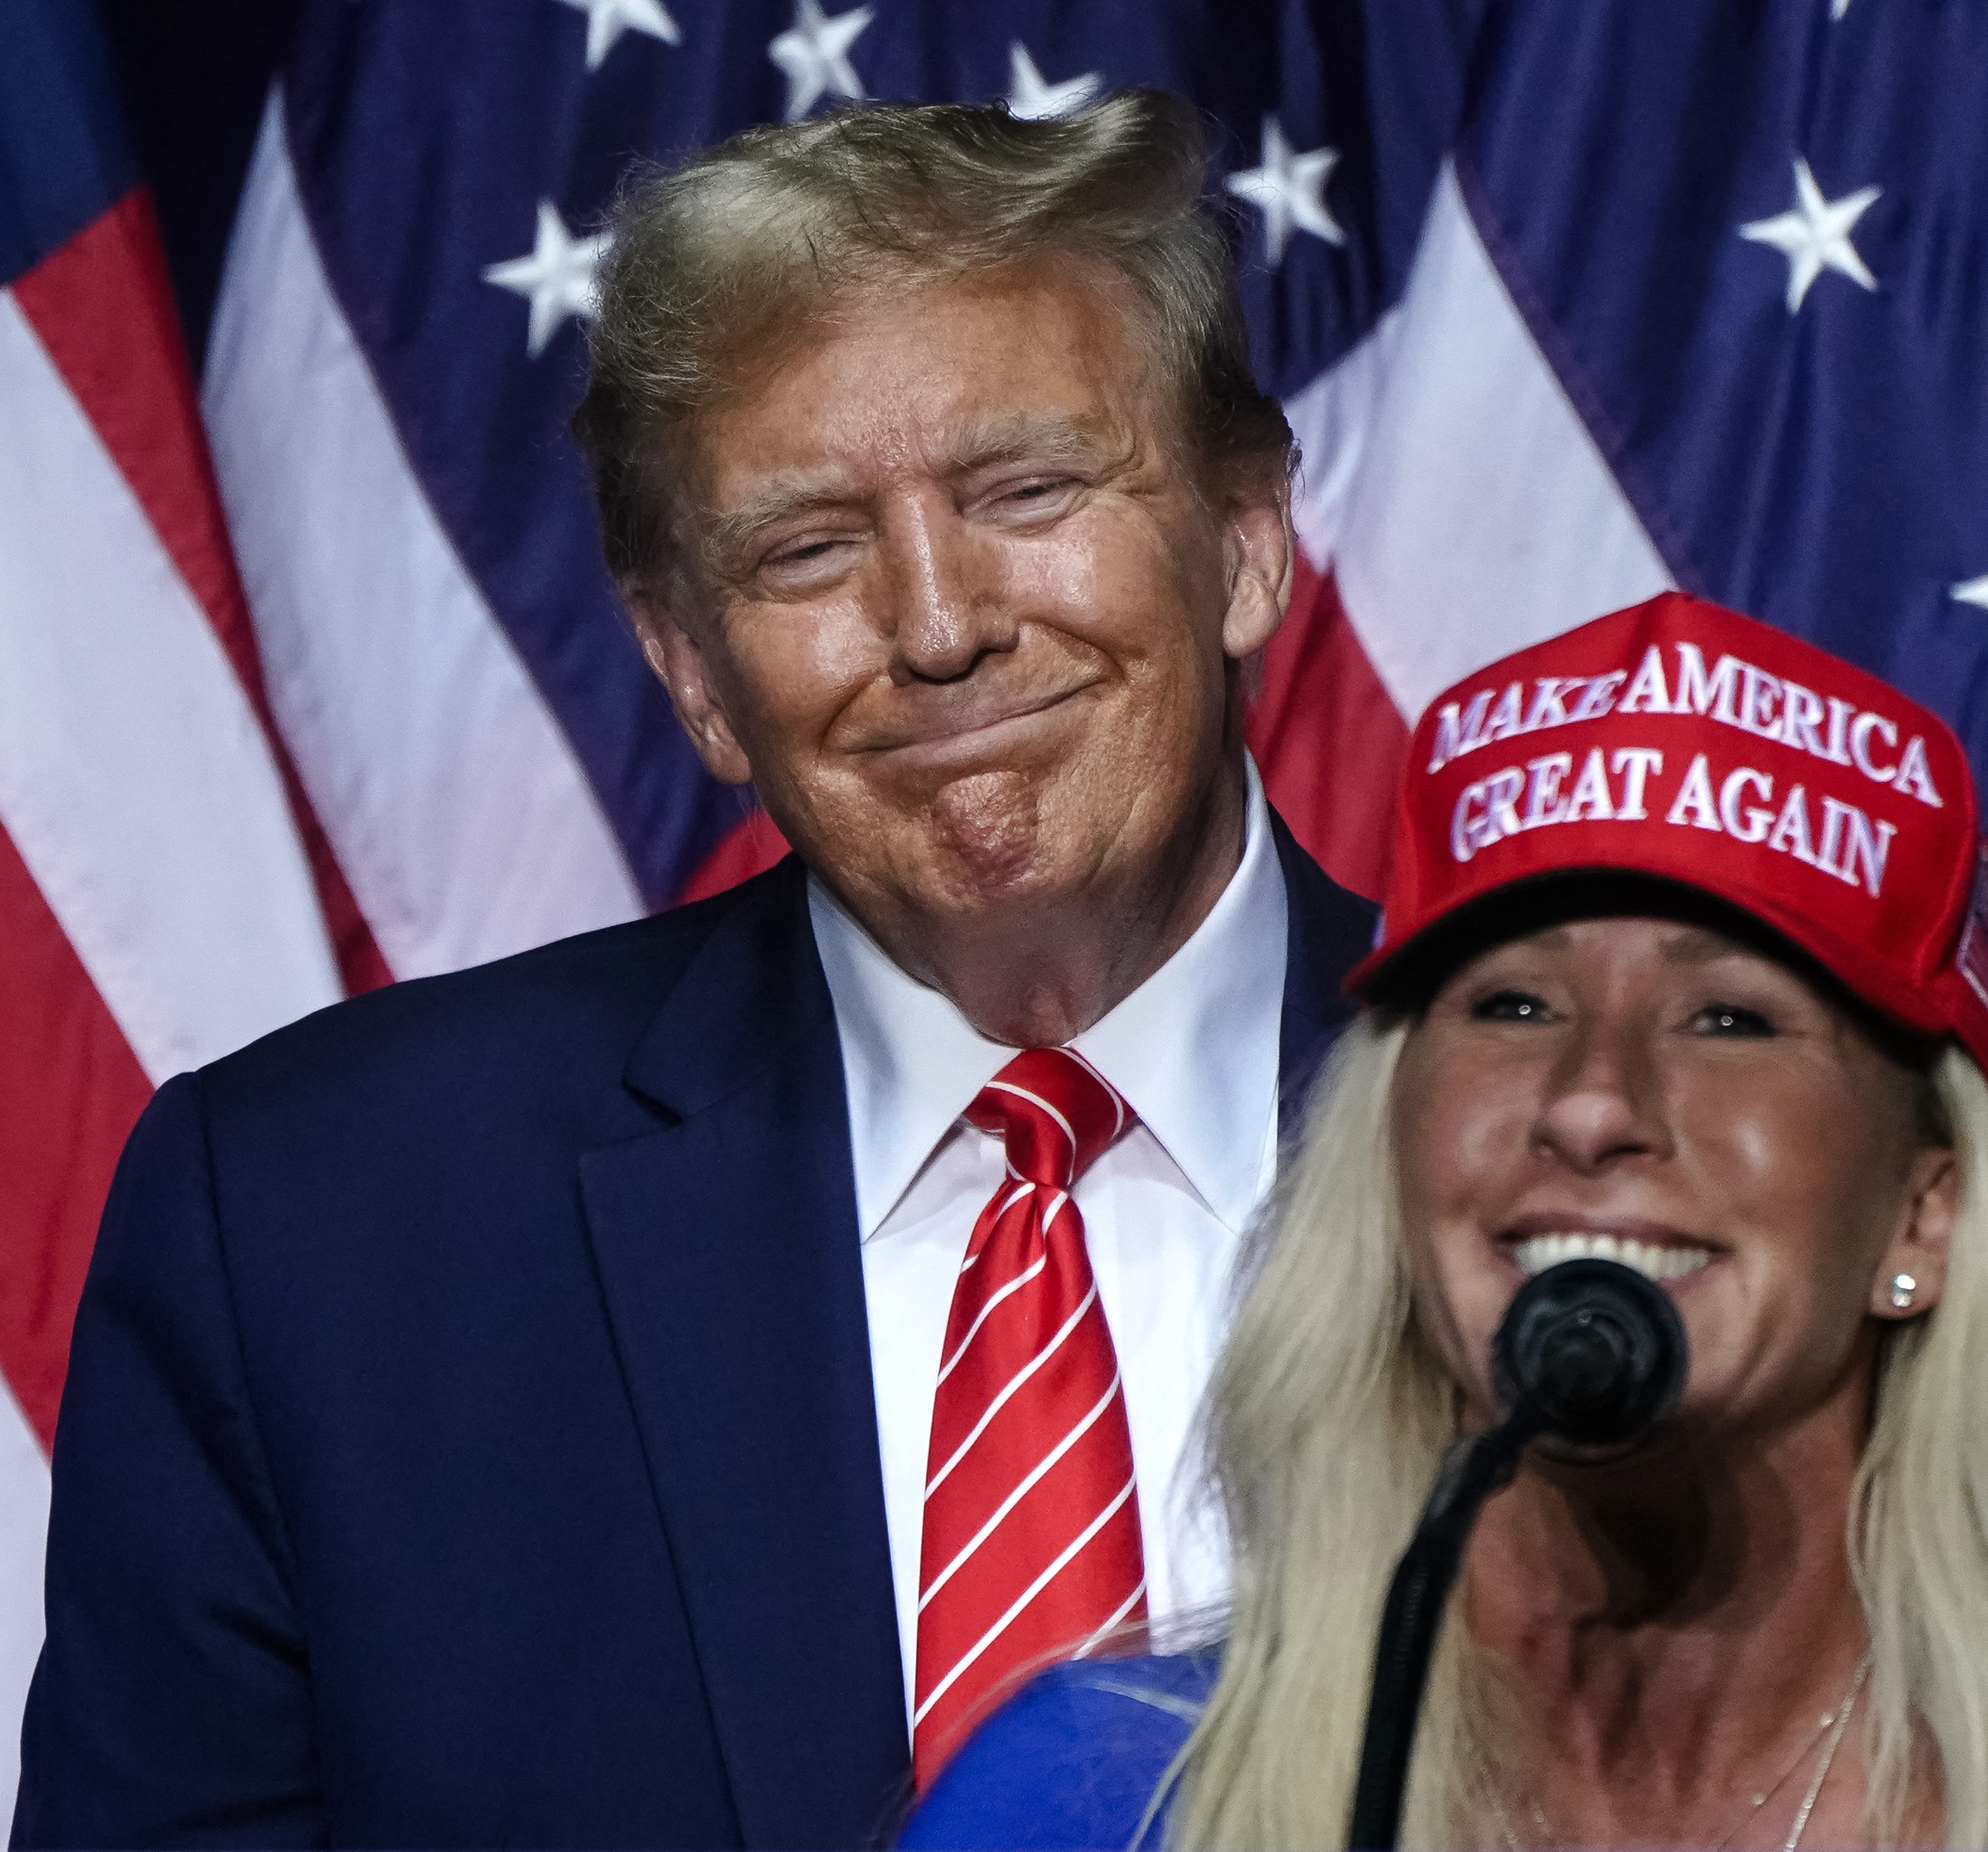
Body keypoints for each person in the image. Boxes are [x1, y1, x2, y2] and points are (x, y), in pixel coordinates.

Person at [15, 94, 1375, 1849]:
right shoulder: (317, 1230)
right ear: (693, 672)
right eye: (807, 547)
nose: (940, 621)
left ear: (1247, 535)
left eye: (1026, 489)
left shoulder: (1564, 1146)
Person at [901, 592, 1988, 1851]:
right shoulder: (1081, 1804)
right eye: (1511, 1002)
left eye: (1727, 1017)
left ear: (1923, 1205)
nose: (1591, 1100)